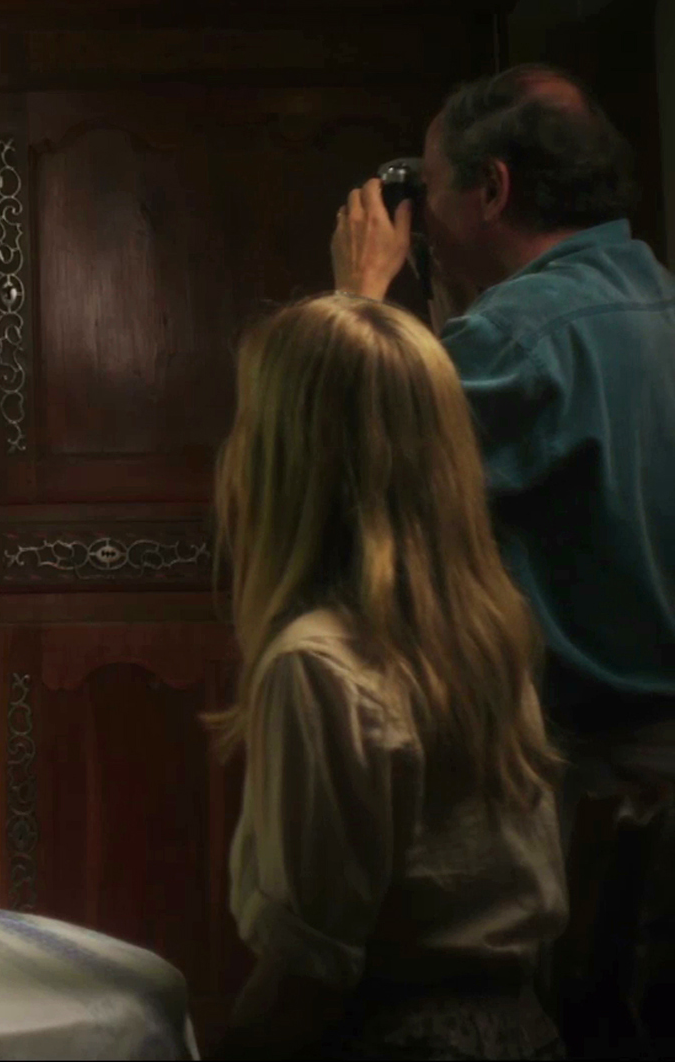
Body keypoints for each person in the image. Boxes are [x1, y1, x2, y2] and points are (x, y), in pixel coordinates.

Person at [331, 64, 675, 1051]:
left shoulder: (515, 339)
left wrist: (359, 299)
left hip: (589, 788)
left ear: (493, 189)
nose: (421, 217)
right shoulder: (654, 300)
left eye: (431, 185)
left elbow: (348, 485)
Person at [209, 293, 566, 1060]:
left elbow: (308, 977)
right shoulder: (486, 634)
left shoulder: (315, 667)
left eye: (248, 425)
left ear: (285, 462)